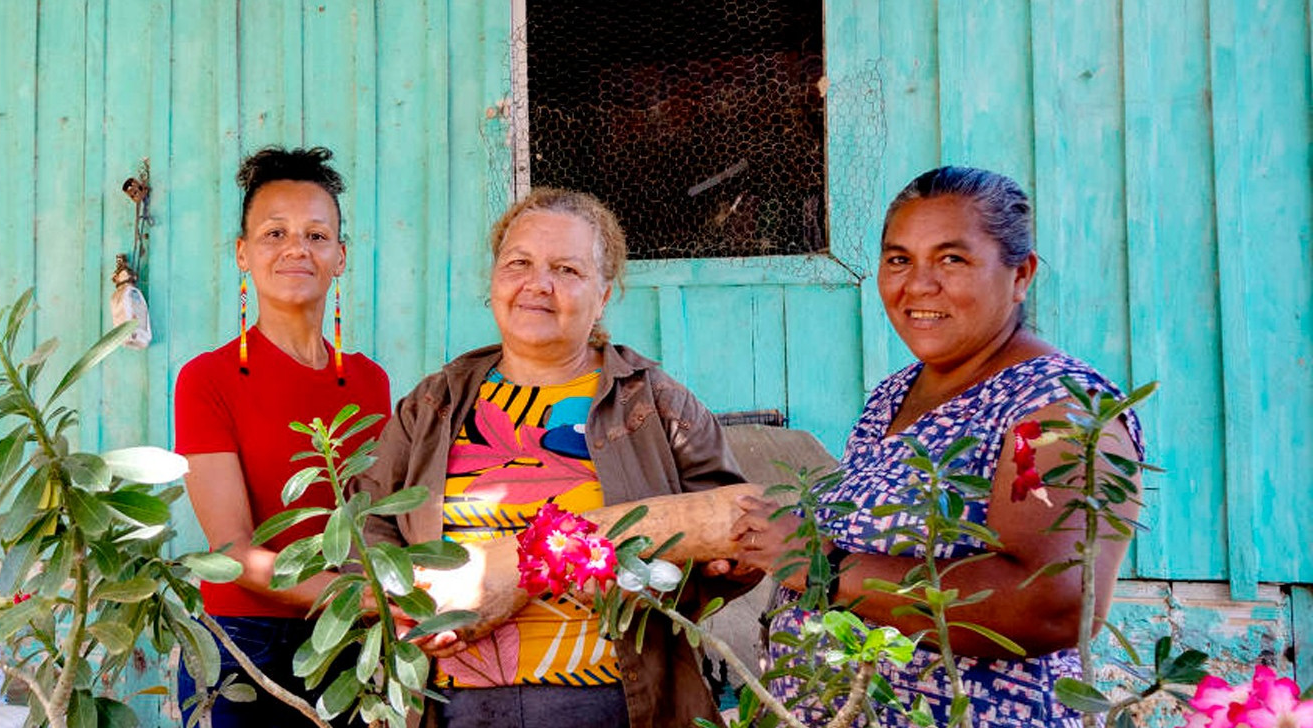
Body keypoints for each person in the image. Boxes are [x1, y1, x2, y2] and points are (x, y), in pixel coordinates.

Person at [733, 166, 1144, 727]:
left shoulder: (1050, 413)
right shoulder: (895, 393)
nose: (919, 285)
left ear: (1021, 275)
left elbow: (1050, 605)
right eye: (899, 259)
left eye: (952, 259)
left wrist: (822, 566)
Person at [354, 187, 753, 728]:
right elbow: (368, 527)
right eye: (519, 263)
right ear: (495, 278)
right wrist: (402, 604)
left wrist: (651, 582)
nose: (537, 284)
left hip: (612, 701)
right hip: (454, 706)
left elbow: (733, 539)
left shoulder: (654, 404)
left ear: (603, 294)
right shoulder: (435, 403)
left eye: (566, 269)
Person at [173, 146, 391, 727]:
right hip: (243, 647)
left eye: (317, 235)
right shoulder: (206, 379)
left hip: (348, 641)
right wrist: (362, 599)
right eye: (275, 233)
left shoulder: (370, 382)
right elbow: (231, 553)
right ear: (243, 253)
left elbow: (375, 523)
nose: (297, 248)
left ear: (341, 256)